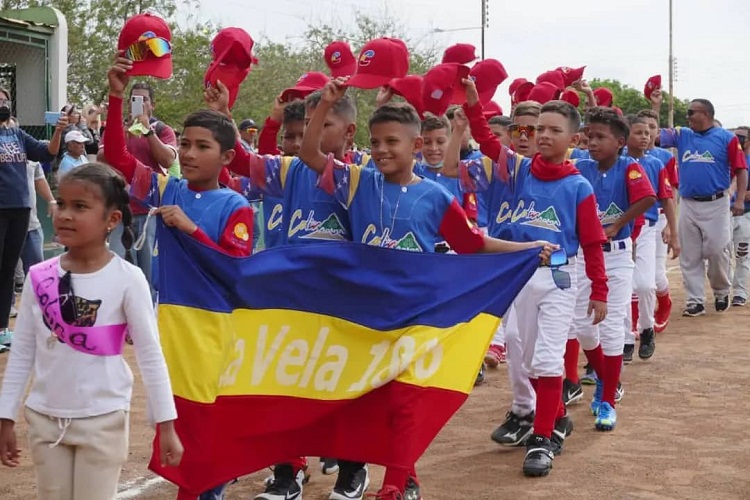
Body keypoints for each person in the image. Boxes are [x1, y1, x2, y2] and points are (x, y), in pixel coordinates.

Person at [298, 79, 554, 498]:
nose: (381, 149)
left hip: (415, 315)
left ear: (416, 145)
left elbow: (472, 245)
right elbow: (309, 154)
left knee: (404, 403)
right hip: (362, 315)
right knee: (362, 399)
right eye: (375, 141)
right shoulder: (358, 182)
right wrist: (327, 103)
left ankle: (397, 482)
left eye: (392, 142)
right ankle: (379, 472)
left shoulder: (435, 197)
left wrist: (526, 247)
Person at [105, 55, 254, 500]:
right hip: (172, 325)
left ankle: (205, 493)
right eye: (185, 144)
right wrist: (116, 98)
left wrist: (191, 230)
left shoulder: (235, 206)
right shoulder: (167, 188)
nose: (189, 153)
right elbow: (116, 159)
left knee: (205, 422)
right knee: (179, 420)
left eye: (202, 146)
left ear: (226, 156)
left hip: (214, 329)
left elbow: (235, 269)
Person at [452, 81, 608, 477]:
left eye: (556, 131)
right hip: (519, 272)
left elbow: (591, 243)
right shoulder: (517, 169)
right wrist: (473, 105)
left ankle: (541, 442)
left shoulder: (578, 185)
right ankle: (555, 418)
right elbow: (487, 142)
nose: (545, 136)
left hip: (557, 274)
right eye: (540, 129)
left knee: (546, 357)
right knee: (522, 354)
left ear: (574, 139)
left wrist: (600, 291)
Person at [0, 162, 183, 498]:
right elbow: (23, 352)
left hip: (103, 419)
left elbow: (150, 354)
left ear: (111, 220)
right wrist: (5, 415)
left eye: (80, 207)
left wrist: (166, 424)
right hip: (44, 419)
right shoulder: (39, 276)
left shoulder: (128, 278)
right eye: (62, 203)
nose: (65, 214)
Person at [565, 108, 656, 432]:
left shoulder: (629, 167)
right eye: (589, 136)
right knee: (582, 326)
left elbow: (648, 197)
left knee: (612, 326)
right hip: (582, 258)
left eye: (600, 137)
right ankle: (607, 380)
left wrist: (618, 222)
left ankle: (607, 400)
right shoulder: (578, 168)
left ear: (619, 142)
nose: (592, 142)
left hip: (616, 257)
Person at [657, 97, 748, 316]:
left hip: (716, 202)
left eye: (691, 112)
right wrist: (656, 105)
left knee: (717, 250)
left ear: (706, 114)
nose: (687, 117)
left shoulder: (726, 138)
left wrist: (739, 199)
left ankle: (721, 291)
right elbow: (655, 135)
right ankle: (695, 300)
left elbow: (741, 169)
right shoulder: (683, 135)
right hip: (688, 202)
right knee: (690, 254)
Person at [0, 87, 67, 350]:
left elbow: (45, 153)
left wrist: (59, 130)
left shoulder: (17, 134)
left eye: (4, 99)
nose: (2, 103)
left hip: (20, 208)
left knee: (7, 271)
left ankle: (3, 328)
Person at [99, 81, 178, 293]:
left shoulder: (162, 129)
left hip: (151, 212)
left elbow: (168, 160)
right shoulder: (117, 128)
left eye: (144, 100)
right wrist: (122, 135)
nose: (140, 104)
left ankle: (149, 321)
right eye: (135, 100)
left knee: (149, 277)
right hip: (120, 211)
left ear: (153, 104)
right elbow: (102, 157)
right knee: (120, 272)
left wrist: (147, 131)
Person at [623, 115, 678, 361]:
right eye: (639, 132)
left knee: (644, 284)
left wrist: (674, 232)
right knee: (622, 286)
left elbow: (666, 198)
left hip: (645, 227)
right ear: (624, 137)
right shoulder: (615, 162)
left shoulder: (655, 163)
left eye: (647, 133)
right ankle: (624, 338)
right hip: (619, 229)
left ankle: (646, 329)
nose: (645, 137)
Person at [637, 107, 678, 330]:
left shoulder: (663, 157)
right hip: (635, 220)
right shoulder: (625, 155)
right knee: (634, 273)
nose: (648, 132)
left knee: (655, 272)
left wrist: (671, 227)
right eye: (643, 128)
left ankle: (664, 302)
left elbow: (670, 193)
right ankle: (639, 319)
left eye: (652, 128)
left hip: (659, 218)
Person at [731, 126, 750, 306]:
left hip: (746, 215)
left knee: (742, 254)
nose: (737, 139)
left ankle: (740, 292)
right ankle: (722, 290)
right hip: (724, 213)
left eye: (741, 137)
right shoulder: (726, 158)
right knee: (718, 254)